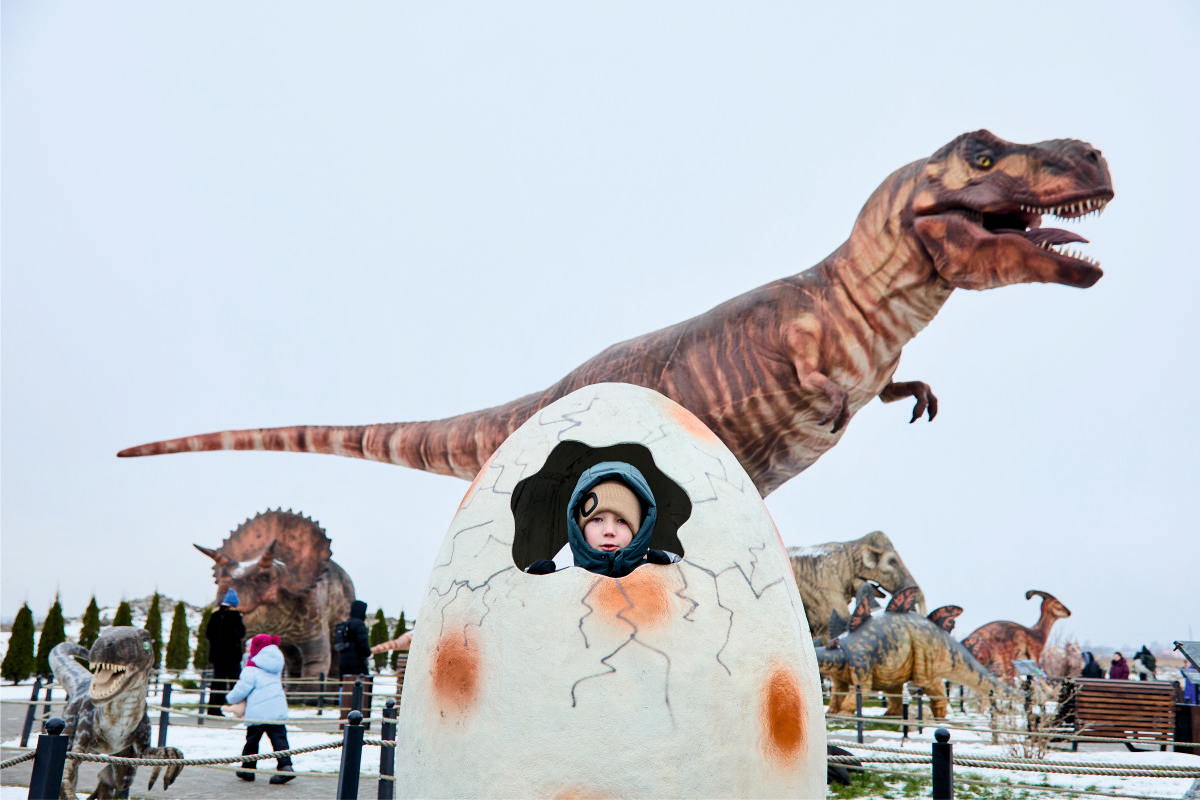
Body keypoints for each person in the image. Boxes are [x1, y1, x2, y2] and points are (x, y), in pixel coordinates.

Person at [526, 461, 679, 578]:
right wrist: (535, 589)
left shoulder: (663, 571)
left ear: (639, 529)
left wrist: (671, 577)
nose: (609, 531)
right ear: (579, 527)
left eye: (622, 521)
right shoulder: (558, 572)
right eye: (597, 519)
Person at [227, 634, 295, 784]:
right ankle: (286, 767)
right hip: (276, 708)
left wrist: (230, 699)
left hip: (258, 710)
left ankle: (248, 769)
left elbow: (242, 689)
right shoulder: (275, 664)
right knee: (280, 740)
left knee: (252, 741)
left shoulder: (252, 666)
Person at [204, 589, 245, 715]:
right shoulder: (235, 616)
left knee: (218, 682)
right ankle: (238, 709)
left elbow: (208, 634)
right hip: (232, 656)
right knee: (235, 683)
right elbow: (241, 633)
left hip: (218, 657)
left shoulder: (215, 615)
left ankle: (213, 709)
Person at [337, 600, 372, 678]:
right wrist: (368, 653)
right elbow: (363, 643)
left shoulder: (345, 624)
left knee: (345, 683)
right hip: (357, 663)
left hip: (343, 661)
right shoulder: (360, 624)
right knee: (362, 683)